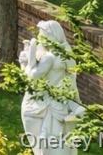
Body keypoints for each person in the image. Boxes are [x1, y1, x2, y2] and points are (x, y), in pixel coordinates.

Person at [19, 20, 85, 155]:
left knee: (47, 144)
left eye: (41, 33)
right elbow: (72, 78)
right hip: (58, 103)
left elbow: (32, 77)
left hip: (46, 105)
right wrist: (76, 101)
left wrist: (25, 63)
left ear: (50, 35)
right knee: (57, 143)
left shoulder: (49, 57)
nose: (39, 37)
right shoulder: (65, 54)